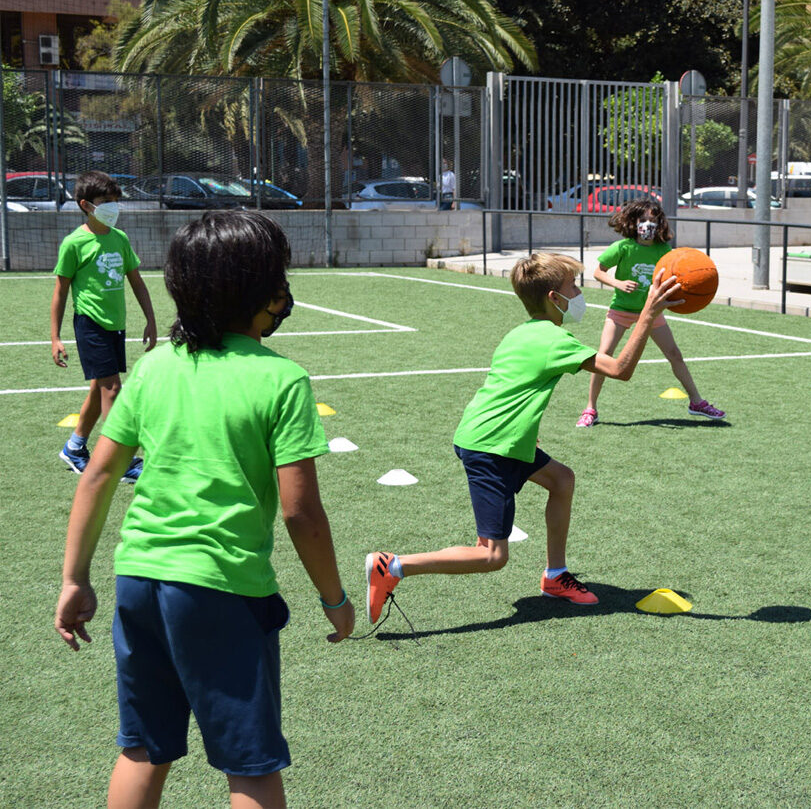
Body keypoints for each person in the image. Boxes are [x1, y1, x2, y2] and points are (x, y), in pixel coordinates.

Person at [54, 211, 355, 809]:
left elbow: (98, 474)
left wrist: (73, 577)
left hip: (139, 579)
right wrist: (334, 599)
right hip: (222, 590)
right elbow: (302, 516)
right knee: (251, 765)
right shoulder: (282, 380)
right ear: (261, 292)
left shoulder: (154, 367)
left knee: (144, 749)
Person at [364, 253, 682, 621]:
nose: (579, 293)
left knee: (561, 480)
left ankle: (555, 576)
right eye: (572, 287)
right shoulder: (554, 340)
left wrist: (526, 437)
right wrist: (647, 313)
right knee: (491, 555)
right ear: (553, 298)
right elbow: (620, 370)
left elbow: (512, 390)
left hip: (499, 438)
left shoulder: (521, 332)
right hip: (491, 447)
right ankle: (392, 565)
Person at [576, 199, 725, 427]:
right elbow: (598, 272)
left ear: (660, 223)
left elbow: (674, 276)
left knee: (674, 354)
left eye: (653, 220)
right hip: (621, 310)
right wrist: (618, 283)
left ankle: (696, 402)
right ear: (633, 222)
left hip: (652, 312)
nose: (648, 224)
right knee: (603, 356)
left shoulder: (664, 251)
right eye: (643, 220)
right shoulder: (623, 247)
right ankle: (590, 409)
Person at [50, 170, 158, 482]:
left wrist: (150, 319)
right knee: (112, 388)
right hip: (90, 324)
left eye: (115, 201)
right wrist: (55, 338)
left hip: (115, 326)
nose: (113, 207)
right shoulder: (74, 244)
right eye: (105, 202)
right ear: (86, 205)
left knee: (99, 389)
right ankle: (120, 462)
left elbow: (136, 282)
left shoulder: (119, 239)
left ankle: (75, 447)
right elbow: (60, 292)